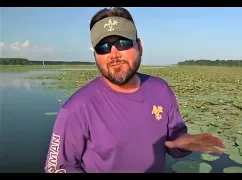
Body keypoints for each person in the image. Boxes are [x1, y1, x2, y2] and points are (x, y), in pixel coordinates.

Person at [44, 7, 224, 173]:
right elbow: (58, 167)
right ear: (95, 56)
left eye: (122, 43)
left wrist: (183, 144)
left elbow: (174, 141)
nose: (114, 54)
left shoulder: (160, 89)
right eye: (103, 47)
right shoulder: (76, 108)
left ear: (140, 46)